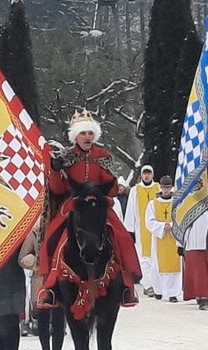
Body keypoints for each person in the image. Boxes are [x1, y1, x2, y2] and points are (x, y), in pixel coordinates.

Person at [37, 110, 143, 308]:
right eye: (83, 133)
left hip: (98, 205)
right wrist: (54, 169)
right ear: (75, 136)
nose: (87, 137)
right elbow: (58, 188)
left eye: (90, 133)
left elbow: (110, 189)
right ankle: (49, 286)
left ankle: (127, 285)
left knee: (121, 237)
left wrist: (109, 185)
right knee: (54, 239)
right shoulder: (66, 156)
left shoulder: (103, 156)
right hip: (73, 205)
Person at [20, 219, 64, 350]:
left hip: (61, 279)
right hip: (41, 279)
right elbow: (22, 257)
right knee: (43, 319)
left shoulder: (63, 230)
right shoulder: (34, 233)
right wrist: (31, 261)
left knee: (60, 319)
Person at [143, 176, 184, 302]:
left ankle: (173, 293)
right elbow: (148, 221)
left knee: (174, 266)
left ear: (171, 188)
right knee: (157, 265)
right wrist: (161, 226)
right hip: (159, 238)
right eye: (164, 187)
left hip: (173, 237)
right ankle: (159, 290)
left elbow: (181, 217)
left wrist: (171, 225)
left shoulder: (177, 203)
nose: (166, 190)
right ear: (160, 187)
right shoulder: (153, 203)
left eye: (168, 187)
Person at [122, 165, 160, 297]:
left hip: (156, 229)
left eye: (149, 173)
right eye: (145, 173)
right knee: (144, 258)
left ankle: (157, 284)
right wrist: (129, 230)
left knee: (156, 257)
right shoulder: (135, 190)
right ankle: (147, 284)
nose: (147, 176)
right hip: (141, 229)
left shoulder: (158, 188)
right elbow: (131, 210)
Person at [181, 200, 208, 309]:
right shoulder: (189, 208)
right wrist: (181, 244)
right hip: (194, 245)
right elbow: (184, 227)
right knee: (198, 274)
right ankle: (201, 298)